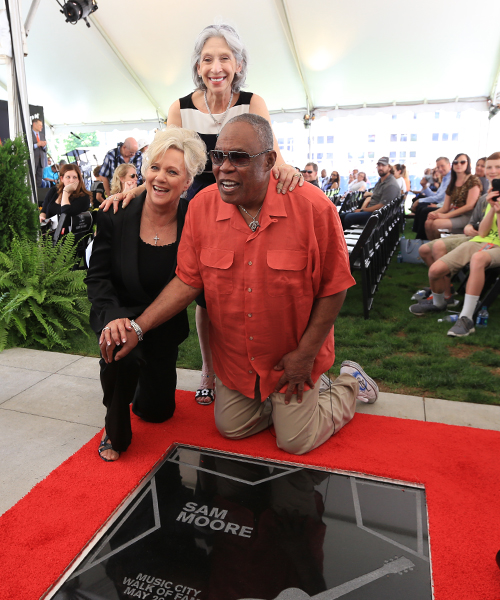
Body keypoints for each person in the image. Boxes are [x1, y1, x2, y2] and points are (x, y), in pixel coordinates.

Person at [100, 114, 379, 457]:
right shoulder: (202, 207)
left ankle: (349, 382)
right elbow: (188, 279)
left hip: (291, 359)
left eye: (240, 157)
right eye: (219, 157)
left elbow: (335, 287)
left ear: (270, 161)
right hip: (237, 365)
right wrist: (138, 328)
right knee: (231, 429)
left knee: (295, 441)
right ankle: (282, 404)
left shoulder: (313, 207)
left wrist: (305, 356)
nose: (225, 167)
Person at [102, 23, 304, 406]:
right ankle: (210, 370)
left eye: (224, 58)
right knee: (202, 294)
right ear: (197, 66)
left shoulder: (252, 102)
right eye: (207, 58)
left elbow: (272, 155)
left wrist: (288, 169)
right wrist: (132, 191)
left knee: (239, 293)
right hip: (197, 211)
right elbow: (166, 160)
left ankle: (244, 371)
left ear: (238, 64)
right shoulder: (180, 108)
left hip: (244, 210)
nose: (216, 67)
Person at [86, 127, 207, 461]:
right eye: (154, 168)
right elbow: (97, 279)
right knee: (117, 350)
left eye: (172, 172)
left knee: (155, 412)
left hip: (161, 324)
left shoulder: (193, 221)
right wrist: (114, 318)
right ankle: (115, 429)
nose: (160, 178)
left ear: (187, 183)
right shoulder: (115, 214)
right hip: (119, 311)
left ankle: (140, 381)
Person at [409, 151, 500, 336]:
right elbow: (481, 232)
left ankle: (466, 319)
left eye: (497, 167)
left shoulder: (475, 185)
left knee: (477, 259)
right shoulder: (488, 197)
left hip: (493, 246)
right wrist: (493, 208)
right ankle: (439, 302)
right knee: (434, 270)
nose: (491, 171)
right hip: (479, 240)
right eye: (489, 167)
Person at [424, 153, 481, 241]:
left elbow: (469, 206)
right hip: (455, 212)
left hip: (469, 216)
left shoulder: (473, 180)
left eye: (462, 162)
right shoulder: (452, 182)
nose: (458, 164)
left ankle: (440, 248)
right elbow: (445, 207)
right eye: (456, 162)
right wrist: (434, 213)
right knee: (428, 222)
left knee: (437, 224)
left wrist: (445, 216)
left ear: (468, 164)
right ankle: (432, 248)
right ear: (452, 165)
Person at [340, 157, 400, 230]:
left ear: (389, 168)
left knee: (348, 218)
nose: (380, 168)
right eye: (379, 165)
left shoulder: (390, 184)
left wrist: (363, 210)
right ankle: (338, 238)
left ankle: (346, 239)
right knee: (342, 216)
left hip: (378, 216)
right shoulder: (381, 181)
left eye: (383, 165)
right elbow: (372, 197)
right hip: (372, 211)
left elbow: (382, 206)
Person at [412, 157, 451, 239]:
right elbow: (437, 195)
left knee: (424, 209)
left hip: (447, 207)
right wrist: (424, 186)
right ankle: (420, 237)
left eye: (442, 166)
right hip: (442, 204)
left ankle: (420, 238)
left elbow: (440, 198)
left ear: (449, 165)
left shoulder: (450, 178)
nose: (440, 169)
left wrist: (438, 206)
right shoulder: (446, 177)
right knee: (421, 206)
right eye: (438, 167)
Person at [32, 118, 47, 187]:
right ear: (34, 124)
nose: (41, 127)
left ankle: (37, 194)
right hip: (33, 160)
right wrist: (37, 145)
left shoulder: (42, 135)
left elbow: (45, 149)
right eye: (40, 125)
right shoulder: (29, 134)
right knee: (32, 178)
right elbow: (26, 146)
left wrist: (44, 146)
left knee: (39, 180)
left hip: (41, 161)